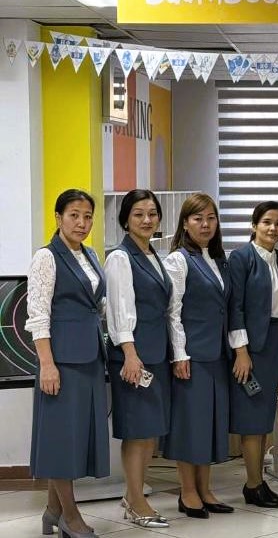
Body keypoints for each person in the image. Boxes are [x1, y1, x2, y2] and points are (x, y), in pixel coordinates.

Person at [26, 189, 108, 538]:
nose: (82, 223)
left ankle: (52, 510)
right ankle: (70, 517)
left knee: (73, 437)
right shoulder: (46, 257)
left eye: (88, 216)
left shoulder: (90, 255)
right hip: (61, 361)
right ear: (58, 218)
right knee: (62, 440)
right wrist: (47, 364)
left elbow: (96, 306)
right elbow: (38, 315)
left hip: (90, 357)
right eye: (74, 215)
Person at [105, 189, 172, 528]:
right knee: (137, 431)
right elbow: (119, 311)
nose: (147, 220)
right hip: (134, 356)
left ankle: (133, 495)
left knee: (150, 431)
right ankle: (135, 501)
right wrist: (130, 354)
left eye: (152, 213)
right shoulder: (120, 257)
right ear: (125, 220)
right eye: (139, 214)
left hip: (156, 354)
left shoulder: (153, 255)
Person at [164, 193, 234, 519]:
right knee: (190, 424)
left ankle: (205, 489)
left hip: (218, 354)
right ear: (185, 223)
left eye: (211, 218)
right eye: (198, 219)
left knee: (210, 423)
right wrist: (179, 354)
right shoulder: (178, 261)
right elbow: (172, 312)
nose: (205, 225)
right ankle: (188, 491)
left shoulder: (219, 259)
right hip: (191, 355)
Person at [227, 201, 278, 508]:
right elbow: (235, 307)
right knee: (252, 418)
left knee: (265, 417)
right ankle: (253, 484)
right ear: (254, 225)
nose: (273, 228)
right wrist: (241, 351)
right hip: (250, 348)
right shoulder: (241, 258)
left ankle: (258, 481)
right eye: (267, 222)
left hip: (273, 344)